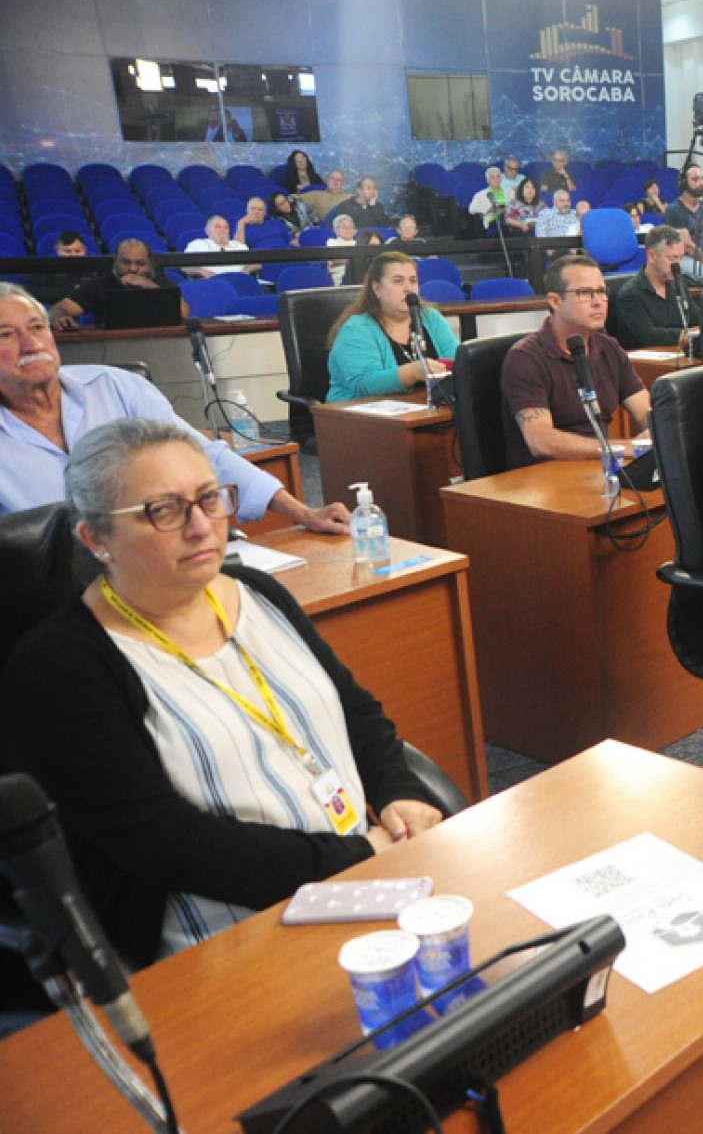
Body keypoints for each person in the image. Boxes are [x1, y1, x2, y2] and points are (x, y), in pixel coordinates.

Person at [0, 418, 439, 967]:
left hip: (366, 879)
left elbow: (355, 711)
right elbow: (164, 842)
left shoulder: (258, 592)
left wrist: (399, 791)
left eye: (209, 499)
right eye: (163, 510)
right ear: (96, 539)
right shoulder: (58, 668)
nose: (200, 526)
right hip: (228, 941)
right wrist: (352, 858)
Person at [0, 287, 349, 532]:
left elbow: (201, 454)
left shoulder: (116, 386)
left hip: (156, 565)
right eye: (6, 335)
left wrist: (304, 513)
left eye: (37, 327)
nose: (32, 345)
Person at [499, 254, 650, 471]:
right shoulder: (525, 358)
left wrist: (655, 430)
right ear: (555, 301)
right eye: (584, 294)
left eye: (601, 292)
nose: (598, 302)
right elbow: (540, 440)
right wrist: (622, 447)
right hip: (543, 479)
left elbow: (645, 411)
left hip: (599, 469)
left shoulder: (610, 348)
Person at [324, 252, 459, 401]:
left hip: (421, 409)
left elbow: (457, 362)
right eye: (398, 281)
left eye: (413, 281)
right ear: (377, 289)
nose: (408, 288)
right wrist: (411, 373)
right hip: (358, 415)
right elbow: (364, 385)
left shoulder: (430, 317)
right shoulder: (357, 328)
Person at [51, 238, 185, 330]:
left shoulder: (160, 283)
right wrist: (60, 317)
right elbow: (59, 309)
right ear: (116, 262)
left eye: (140, 264)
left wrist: (148, 286)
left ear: (150, 265)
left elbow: (183, 312)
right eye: (126, 263)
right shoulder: (99, 284)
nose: (133, 269)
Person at [607, 226, 694, 352]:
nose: (678, 266)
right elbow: (648, 336)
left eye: (681, 258)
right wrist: (688, 334)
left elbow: (697, 319)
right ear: (652, 256)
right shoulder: (630, 294)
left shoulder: (678, 285)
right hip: (644, 365)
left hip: (677, 355)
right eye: (672, 259)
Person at [182, 215, 256, 279]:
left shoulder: (238, 245)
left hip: (240, 280)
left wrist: (247, 270)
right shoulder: (198, 244)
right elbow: (184, 266)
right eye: (218, 227)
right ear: (207, 231)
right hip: (213, 284)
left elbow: (257, 263)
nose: (222, 230)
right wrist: (202, 271)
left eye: (225, 227)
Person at [326, 213, 378, 285]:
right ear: (336, 230)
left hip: (360, 274)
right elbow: (334, 260)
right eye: (344, 227)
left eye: (351, 227)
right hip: (340, 274)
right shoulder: (332, 241)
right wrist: (357, 259)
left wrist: (343, 260)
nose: (348, 230)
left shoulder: (358, 242)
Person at [329, 177, 393, 231]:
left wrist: (374, 207)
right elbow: (339, 228)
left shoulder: (378, 206)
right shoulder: (345, 206)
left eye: (374, 188)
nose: (372, 191)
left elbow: (386, 225)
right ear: (359, 191)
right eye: (369, 188)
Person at [468, 167, 509, 233]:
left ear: (501, 179)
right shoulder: (480, 195)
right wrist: (488, 209)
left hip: (510, 218)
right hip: (493, 220)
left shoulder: (510, 192)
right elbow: (471, 209)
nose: (496, 180)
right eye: (492, 178)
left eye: (498, 177)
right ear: (487, 180)